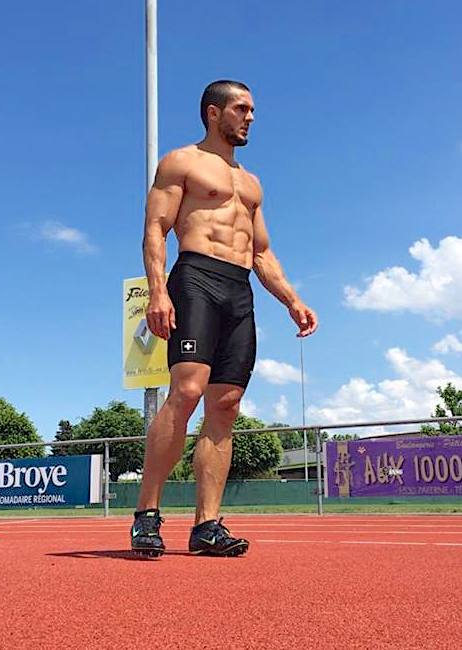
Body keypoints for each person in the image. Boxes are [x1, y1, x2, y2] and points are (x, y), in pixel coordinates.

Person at [131, 80, 318, 557]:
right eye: (241, 108)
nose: (250, 117)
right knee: (188, 391)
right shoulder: (181, 162)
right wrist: (157, 291)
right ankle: (146, 513)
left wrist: (292, 300)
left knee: (227, 404)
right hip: (195, 278)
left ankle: (207, 525)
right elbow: (155, 228)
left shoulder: (251, 183)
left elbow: (262, 252)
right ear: (214, 113)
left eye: (252, 110)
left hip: (239, 288)